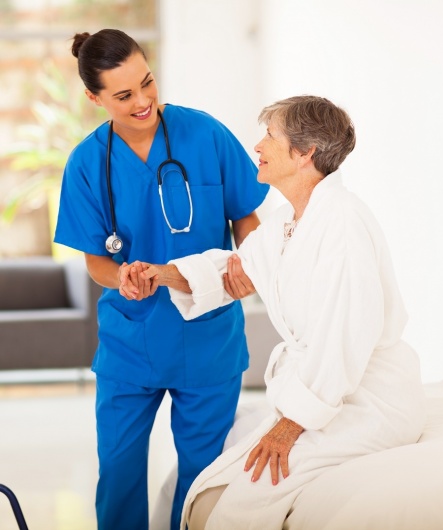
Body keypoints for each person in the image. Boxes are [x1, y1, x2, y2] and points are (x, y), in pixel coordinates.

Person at [135, 95, 427, 529]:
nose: (258, 146)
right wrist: (161, 274)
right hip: (324, 391)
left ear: (304, 153)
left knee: (251, 491)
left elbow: (340, 341)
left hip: (367, 397)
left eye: (270, 136)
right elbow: (235, 268)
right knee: (219, 473)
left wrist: (289, 427)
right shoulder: (291, 220)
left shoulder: (341, 224)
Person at [53, 29, 269, 530]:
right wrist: (121, 277)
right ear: (94, 97)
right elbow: (96, 261)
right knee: (120, 473)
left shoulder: (205, 134)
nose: (144, 101)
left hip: (208, 336)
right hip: (132, 339)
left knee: (202, 480)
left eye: (147, 83)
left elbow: (247, 219)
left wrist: (250, 265)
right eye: (124, 96)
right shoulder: (88, 163)